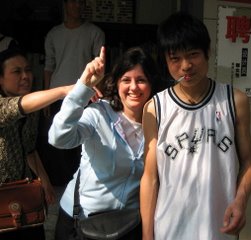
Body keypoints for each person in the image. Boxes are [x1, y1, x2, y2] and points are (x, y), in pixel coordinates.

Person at [140, 12, 251, 240]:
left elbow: (248, 165)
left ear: (207, 53)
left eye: (193, 54)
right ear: (165, 60)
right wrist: (147, 235)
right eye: (175, 58)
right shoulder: (155, 108)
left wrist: (241, 201)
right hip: (169, 229)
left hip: (219, 228)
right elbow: (150, 177)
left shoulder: (235, 101)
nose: (185, 66)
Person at [48, 46, 159, 240]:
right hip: (82, 221)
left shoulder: (160, 123)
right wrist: (83, 86)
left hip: (128, 224)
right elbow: (59, 137)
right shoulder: (98, 114)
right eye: (126, 80)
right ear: (116, 84)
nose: (133, 87)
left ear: (151, 84)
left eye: (141, 80)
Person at [0, 48, 73, 239]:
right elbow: (15, 107)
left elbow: (30, 149)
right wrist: (64, 90)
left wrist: (44, 181)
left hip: (23, 197)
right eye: (16, 72)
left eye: (28, 70)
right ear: (0, 79)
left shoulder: (33, 110)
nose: (25, 76)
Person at [41, 0, 105, 186]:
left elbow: (100, 67)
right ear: (65, 4)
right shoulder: (54, 34)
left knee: (83, 143)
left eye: (82, 2)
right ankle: (61, 185)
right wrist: (46, 97)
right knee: (57, 143)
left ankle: (80, 183)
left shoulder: (95, 32)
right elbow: (48, 67)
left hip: (86, 96)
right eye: (74, 2)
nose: (79, 6)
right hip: (58, 95)